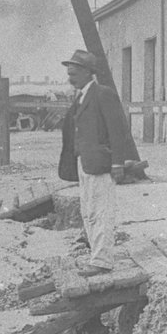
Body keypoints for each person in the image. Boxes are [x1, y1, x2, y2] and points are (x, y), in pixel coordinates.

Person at [57, 49, 132, 274]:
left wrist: (118, 163)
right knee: (88, 211)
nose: (71, 77)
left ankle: (102, 261)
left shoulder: (103, 94)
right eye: (69, 74)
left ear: (89, 72)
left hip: (100, 163)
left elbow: (118, 131)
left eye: (75, 73)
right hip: (84, 162)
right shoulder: (79, 97)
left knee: (101, 212)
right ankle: (95, 256)